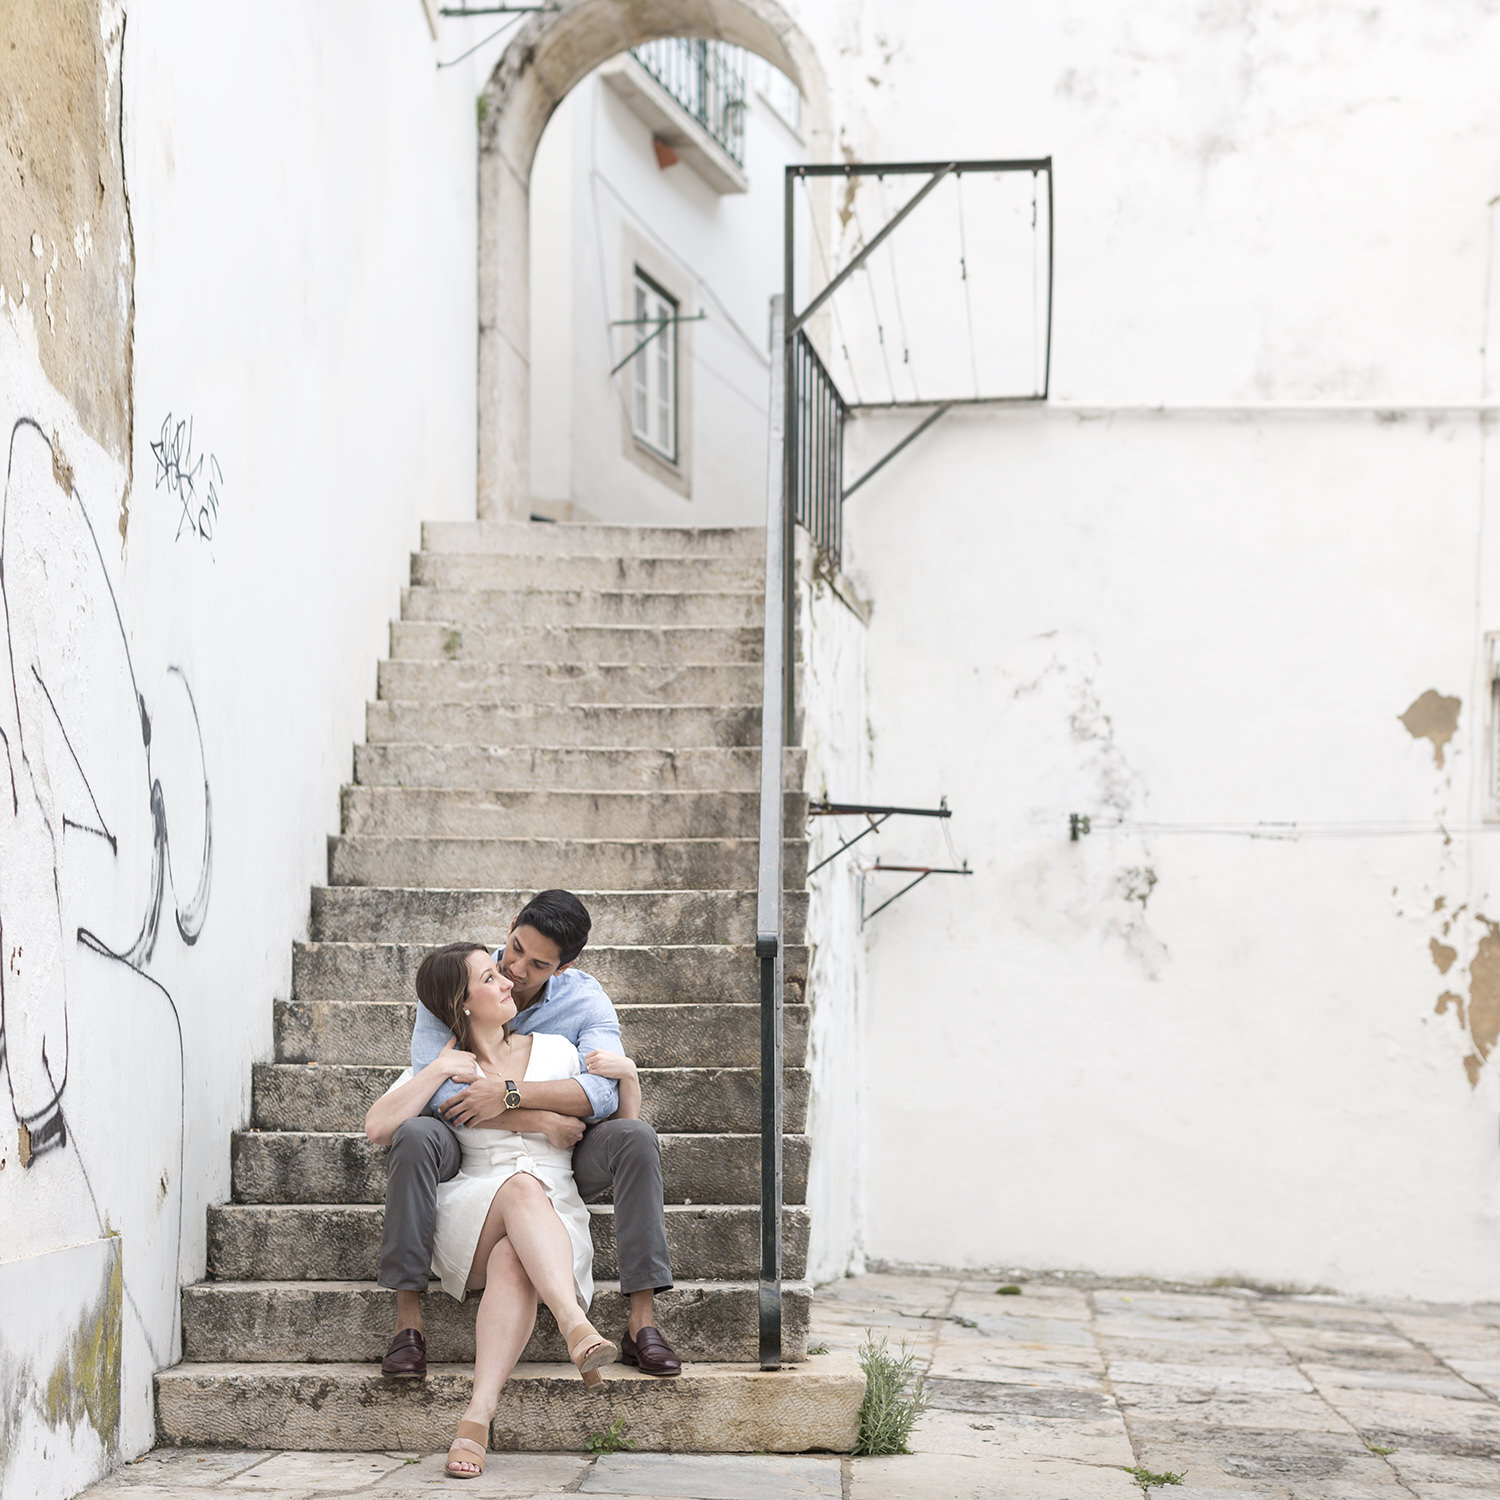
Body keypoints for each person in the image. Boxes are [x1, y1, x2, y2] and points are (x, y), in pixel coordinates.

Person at [375, 890, 681, 1382]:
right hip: (469, 1145)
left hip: (568, 1151)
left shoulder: (584, 1001)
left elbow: (601, 1096)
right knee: (413, 1133)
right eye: (514, 948)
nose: (515, 970)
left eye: (537, 964)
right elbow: (439, 1094)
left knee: (636, 1138)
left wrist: (513, 1093)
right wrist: (538, 1118)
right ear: (513, 923)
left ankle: (641, 1323)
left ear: (564, 966)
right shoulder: (459, 979)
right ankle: (408, 1322)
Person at [365, 941, 640, 1478]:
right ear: (461, 1003)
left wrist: (628, 1076)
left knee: (517, 1255)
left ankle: (477, 1417)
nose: (509, 981)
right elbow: (378, 1128)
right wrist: (438, 1067)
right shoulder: (450, 1068)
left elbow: (612, 1122)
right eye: (491, 978)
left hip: (555, 1216)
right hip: (476, 1211)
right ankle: (575, 1325)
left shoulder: (558, 1049)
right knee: (518, 1186)